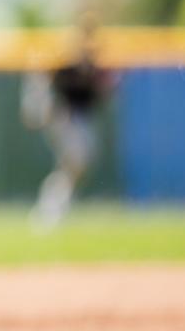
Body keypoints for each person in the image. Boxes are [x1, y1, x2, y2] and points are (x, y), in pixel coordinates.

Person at [21, 13, 115, 229]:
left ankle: (53, 206)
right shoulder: (65, 62)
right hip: (64, 117)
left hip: (81, 118)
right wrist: (36, 106)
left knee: (75, 165)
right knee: (77, 160)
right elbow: (41, 78)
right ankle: (51, 208)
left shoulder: (92, 65)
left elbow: (100, 91)